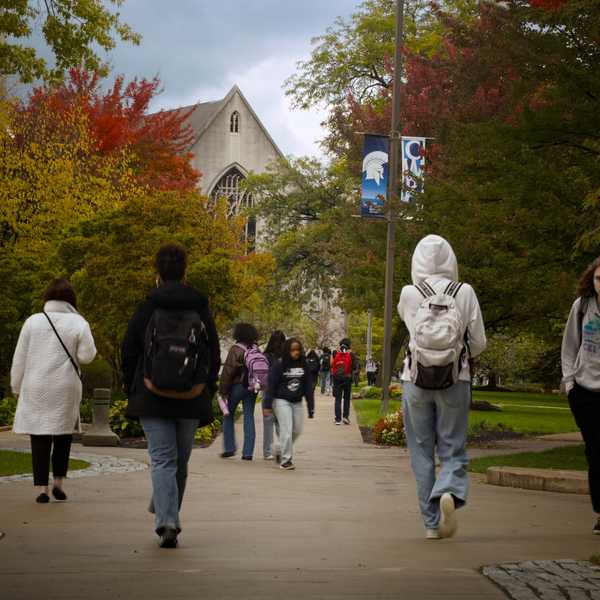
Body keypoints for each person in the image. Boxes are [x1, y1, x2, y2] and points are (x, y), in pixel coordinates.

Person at [122, 244, 221, 548]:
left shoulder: (148, 306)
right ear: (185, 271)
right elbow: (214, 352)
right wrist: (206, 388)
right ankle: (168, 514)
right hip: (190, 397)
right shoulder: (200, 307)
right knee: (179, 463)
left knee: (163, 461)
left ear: (157, 273)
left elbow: (129, 350)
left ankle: (167, 519)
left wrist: (133, 387)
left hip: (152, 395)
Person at [398, 235, 486, 540]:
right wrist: (456, 356)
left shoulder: (410, 292)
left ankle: (431, 524)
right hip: (454, 379)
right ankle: (448, 490)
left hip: (415, 379)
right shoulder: (465, 292)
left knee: (421, 452)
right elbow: (479, 342)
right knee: (452, 446)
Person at [11, 278, 97, 504]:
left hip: (36, 384)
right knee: (62, 434)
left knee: (39, 436)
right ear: (71, 299)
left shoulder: (33, 321)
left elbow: (20, 357)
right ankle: (58, 482)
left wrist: (15, 385)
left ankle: (42, 489)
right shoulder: (79, 323)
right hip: (65, 385)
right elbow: (86, 356)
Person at [561, 256, 600, 535]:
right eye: (599, 279)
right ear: (592, 279)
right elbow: (569, 347)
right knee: (595, 454)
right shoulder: (582, 307)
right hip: (585, 392)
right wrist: (570, 384)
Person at [263, 338, 315, 470]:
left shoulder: (304, 365)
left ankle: (280, 448)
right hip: (281, 400)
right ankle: (286, 460)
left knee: (297, 430)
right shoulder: (279, 364)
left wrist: (311, 406)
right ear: (287, 350)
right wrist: (267, 405)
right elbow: (271, 386)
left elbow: (309, 386)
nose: (296, 352)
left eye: (298, 349)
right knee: (286, 430)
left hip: (297, 401)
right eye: (293, 350)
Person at [219, 323, 260, 461]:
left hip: (238, 386)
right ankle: (248, 453)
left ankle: (229, 448)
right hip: (253, 386)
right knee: (249, 416)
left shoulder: (235, 349)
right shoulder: (256, 349)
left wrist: (223, 391)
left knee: (228, 414)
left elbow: (228, 371)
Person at [262, 330, 286, 460]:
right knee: (281, 422)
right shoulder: (286, 356)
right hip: (282, 392)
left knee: (268, 422)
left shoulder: (265, 355)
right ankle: (283, 448)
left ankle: (267, 452)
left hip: (268, 390)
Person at [331, 338, 355, 425]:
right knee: (346, 398)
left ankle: (338, 419)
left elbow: (333, 364)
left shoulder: (335, 353)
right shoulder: (351, 354)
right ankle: (345, 417)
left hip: (337, 378)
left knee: (338, 399)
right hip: (347, 378)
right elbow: (355, 367)